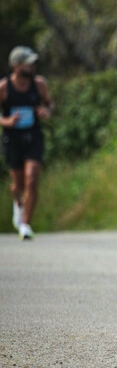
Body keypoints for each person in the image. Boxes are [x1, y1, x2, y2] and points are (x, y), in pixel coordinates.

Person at [1, 46, 54, 240]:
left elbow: (49, 103)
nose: (32, 67)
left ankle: (25, 224)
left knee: (32, 179)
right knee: (18, 184)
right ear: (16, 66)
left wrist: (47, 111)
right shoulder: (4, 87)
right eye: (27, 64)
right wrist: (6, 121)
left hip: (33, 136)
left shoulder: (39, 84)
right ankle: (18, 203)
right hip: (12, 138)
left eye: (32, 64)